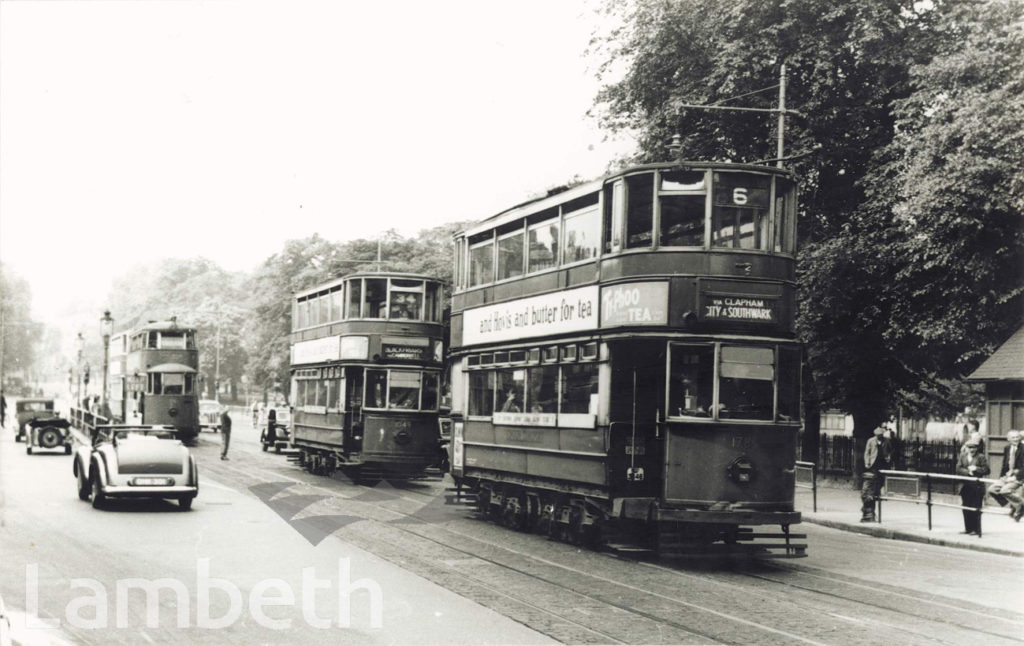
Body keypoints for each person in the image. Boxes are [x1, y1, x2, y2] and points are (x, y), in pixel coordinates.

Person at [956, 437, 990, 535]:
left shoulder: (981, 457)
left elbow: (987, 470)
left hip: (976, 486)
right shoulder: (963, 456)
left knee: (976, 507)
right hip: (965, 485)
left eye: (974, 447)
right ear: (966, 448)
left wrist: (976, 468)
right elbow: (958, 469)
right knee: (966, 507)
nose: (972, 449)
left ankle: (976, 529)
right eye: (970, 447)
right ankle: (968, 528)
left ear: (977, 448)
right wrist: (968, 472)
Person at [988, 430, 1024, 521]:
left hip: (1019, 477)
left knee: (1005, 491)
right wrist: (1002, 476)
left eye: (1017, 437)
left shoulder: (1023, 448)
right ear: (1008, 439)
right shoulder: (1007, 448)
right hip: (1007, 476)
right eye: (1013, 437)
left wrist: (1016, 474)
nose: (1016, 439)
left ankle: (1020, 505)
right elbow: (1005, 464)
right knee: (991, 490)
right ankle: (1017, 505)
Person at [860, 426, 893, 522]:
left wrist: (889, 457)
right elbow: (867, 452)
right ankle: (869, 506)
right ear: (875, 435)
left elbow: (890, 450)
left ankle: (871, 500)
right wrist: (867, 462)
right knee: (872, 482)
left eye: (881, 435)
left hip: (883, 464)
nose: (880, 437)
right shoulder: (871, 441)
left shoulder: (887, 441)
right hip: (874, 464)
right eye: (878, 435)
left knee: (880, 482)